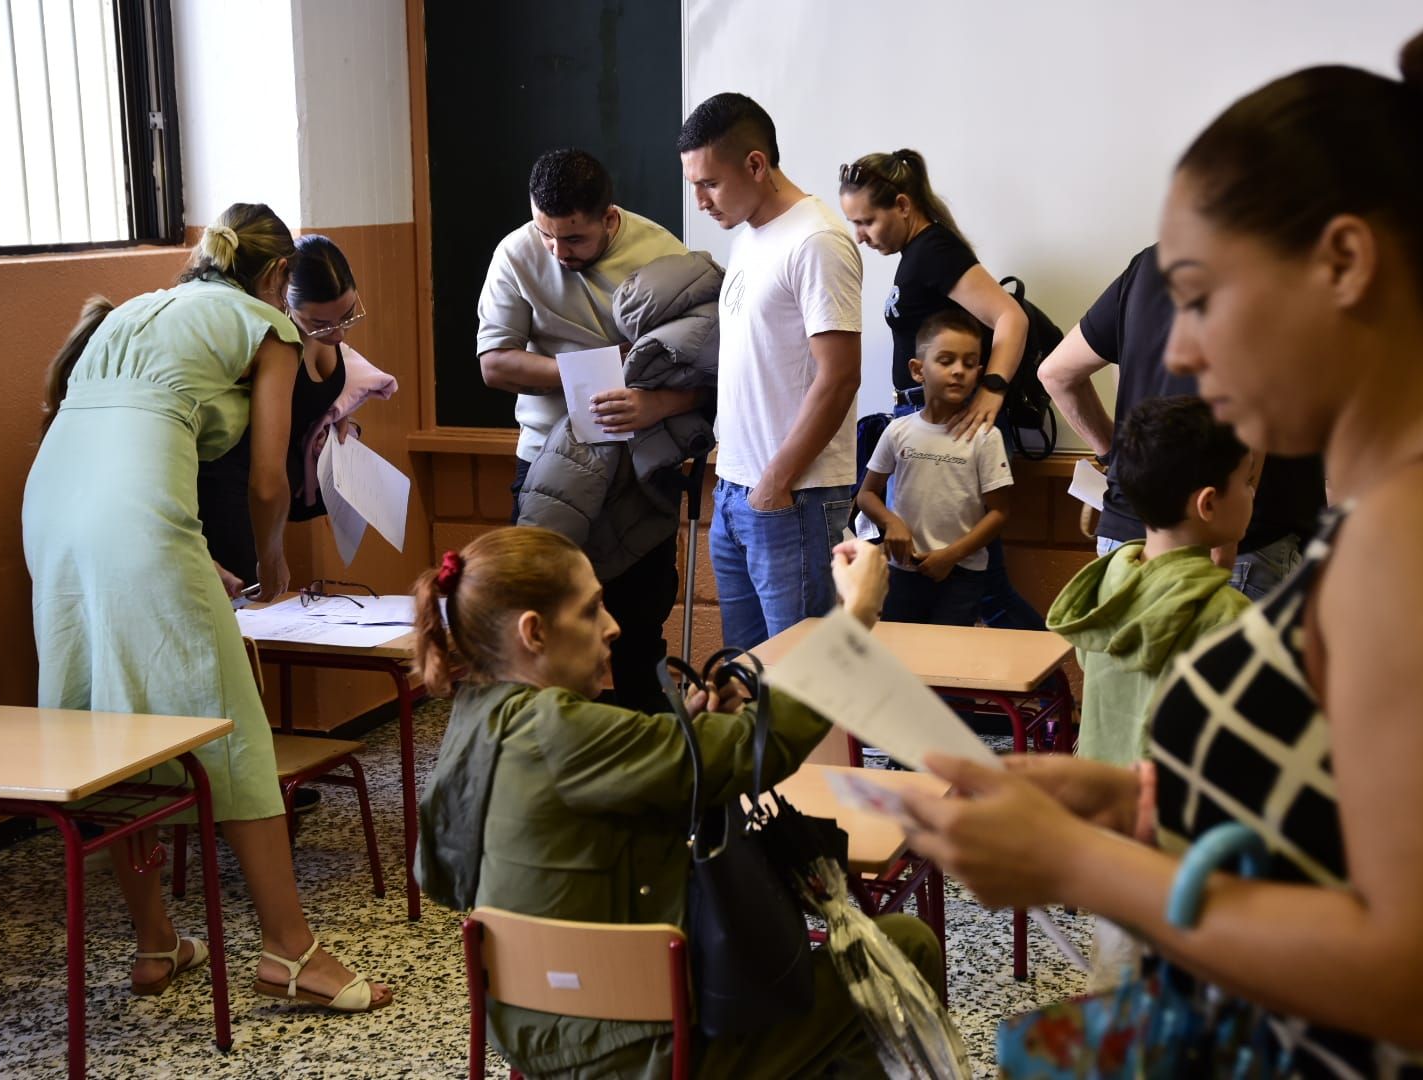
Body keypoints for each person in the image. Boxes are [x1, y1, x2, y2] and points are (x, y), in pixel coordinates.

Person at [898, 25, 1423, 1073]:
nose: (1185, 349)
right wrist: (1135, 803)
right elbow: (1354, 815)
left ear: (1344, 263)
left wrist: (1081, 864)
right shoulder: (1413, 502)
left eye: (1203, 296)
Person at [25, 203, 391, 1012]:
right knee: (235, 730)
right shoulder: (269, 326)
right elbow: (268, 479)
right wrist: (270, 560)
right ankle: (291, 952)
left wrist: (191, 558)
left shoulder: (133, 311)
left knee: (105, 727)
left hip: (52, 516)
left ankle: (156, 943)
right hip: (136, 522)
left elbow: (125, 446)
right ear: (277, 276)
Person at [412, 528, 940, 1077]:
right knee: (906, 947)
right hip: (634, 1052)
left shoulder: (475, 721)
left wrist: (682, 736)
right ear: (534, 633)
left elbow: (449, 869)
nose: (612, 625)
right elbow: (759, 749)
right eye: (591, 610)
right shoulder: (558, 730)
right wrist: (856, 618)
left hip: (533, 1030)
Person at [478, 148, 697, 713]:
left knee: (638, 631)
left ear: (609, 217)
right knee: (536, 627)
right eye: (546, 234)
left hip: (639, 465)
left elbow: (706, 370)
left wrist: (651, 400)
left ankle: (649, 757)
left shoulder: (663, 254)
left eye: (573, 238)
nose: (557, 251)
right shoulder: (516, 252)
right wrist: (593, 370)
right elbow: (494, 364)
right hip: (545, 463)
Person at [1046, 395, 1254, 987]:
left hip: (1107, 825)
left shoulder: (1106, 587)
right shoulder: (1230, 618)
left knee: (1119, 972)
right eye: (1247, 481)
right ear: (1208, 503)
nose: (1252, 493)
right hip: (1184, 845)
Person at [678, 92, 863, 649]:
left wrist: (775, 482)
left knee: (802, 678)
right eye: (694, 185)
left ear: (756, 165)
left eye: (710, 183)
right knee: (747, 674)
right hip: (737, 489)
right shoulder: (750, 237)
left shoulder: (817, 241)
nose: (700, 200)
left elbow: (840, 377)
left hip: (794, 496)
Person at [1038, 242, 1324, 600]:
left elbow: (1056, 374)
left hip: (1125, 543)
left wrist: (1118, 455)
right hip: (1235, 549)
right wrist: (1225, 549)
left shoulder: (1150, 264)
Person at [838, 147, 1045, 628]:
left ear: (902, 206)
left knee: (983, 587)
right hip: (922, 422)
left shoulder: (934, 250)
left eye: (867, 222)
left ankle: (1048, 663)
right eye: (854, 224)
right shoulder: (918, 253)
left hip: (953, 426)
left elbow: (1010, 317)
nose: (860, 236)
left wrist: (991, 389)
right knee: (949, 584)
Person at [199, 233, 396, 591]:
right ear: (285, 300)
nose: (338, 334)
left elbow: (313, 400)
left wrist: (336, 420)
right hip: (237, 491)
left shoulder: (327, 335)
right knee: (250, 604)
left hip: (276, 493)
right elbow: (265, 470)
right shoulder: (275, 342)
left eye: (348, 316)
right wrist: (271, 554)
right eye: (320, 324)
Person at [855, 309, 1017, 626]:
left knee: (949, 653)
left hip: (961, 574)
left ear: (978, 372)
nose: (958, 371)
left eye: (969, 364)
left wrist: (951, 555)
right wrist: (892, 524)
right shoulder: (898, 431)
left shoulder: (985, 437)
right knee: (900, 650)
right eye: (946, 361)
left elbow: (999, 512)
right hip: (902, 571)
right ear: (918, 370)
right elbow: (866, 495)